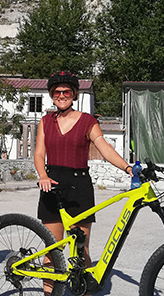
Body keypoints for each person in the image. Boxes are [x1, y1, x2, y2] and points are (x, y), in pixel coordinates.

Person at [35, 71, 132, 292]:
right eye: (57, 92)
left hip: (79, 186)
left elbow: (105, 148)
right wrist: (42, 175)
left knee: (81, 250)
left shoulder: (88, 121)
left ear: (74, 94)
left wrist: (127, 168)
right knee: (52, 250)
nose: (61, 95)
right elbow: (39, 154)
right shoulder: (45, 122)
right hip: (52, 184)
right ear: (52, 95)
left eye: (66, 91)